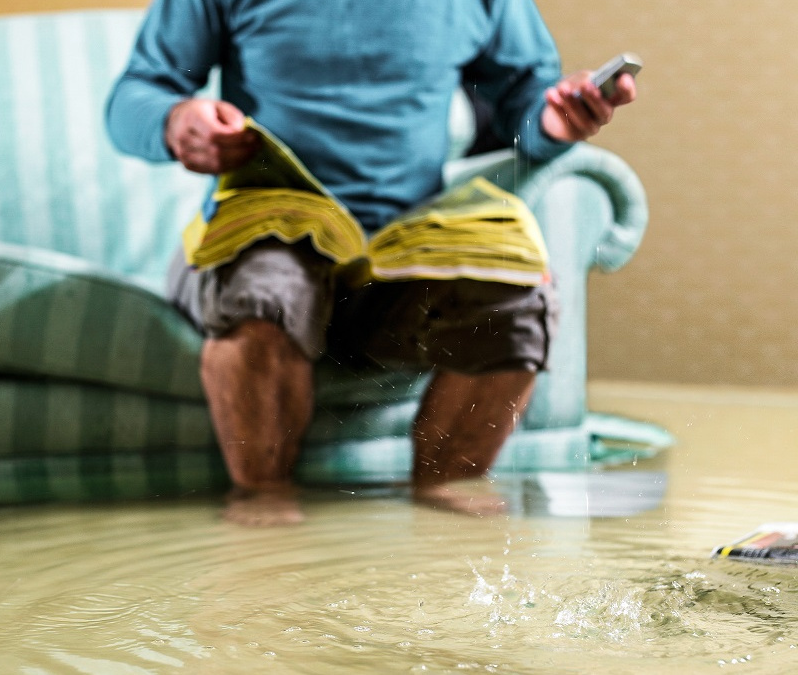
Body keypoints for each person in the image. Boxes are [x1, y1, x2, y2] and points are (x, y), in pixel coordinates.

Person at [107, 0, 636, 526]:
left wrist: (556, 120)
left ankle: (442, 494)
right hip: (269, 224)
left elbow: (527, 108)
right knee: (264, 292)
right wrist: (175, 120)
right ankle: (263, 500)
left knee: (518, 302)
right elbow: (134, 95)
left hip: (405, 246)